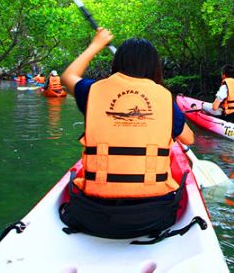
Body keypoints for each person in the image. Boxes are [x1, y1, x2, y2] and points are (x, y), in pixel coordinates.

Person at [59, 28, 195, 239]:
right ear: (154, 66)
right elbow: (189, 138)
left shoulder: (93, 91)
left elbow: (67, 76)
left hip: (93, 214)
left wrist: (96, 45)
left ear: (117, 63)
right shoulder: (164, 98)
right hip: (152, 217)